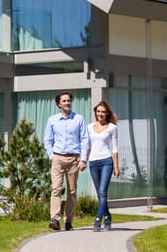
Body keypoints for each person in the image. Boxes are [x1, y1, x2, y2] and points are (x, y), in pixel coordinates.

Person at [44, 91, 89, 231]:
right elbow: (47, 140)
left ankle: (68, 221)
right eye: (64, 101)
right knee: (56, 189)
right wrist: (51, 156)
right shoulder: (52, 120)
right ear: (59, 104)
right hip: (58, 157)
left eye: (69, 100)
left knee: (72, 191)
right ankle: (55, 220)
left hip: (74, 159)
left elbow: (84, 139)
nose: (67, 103)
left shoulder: (79, 119)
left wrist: (83, 159)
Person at [87, 101, 120, 232]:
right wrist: (84, 160)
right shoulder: (90, 127)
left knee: (103, 192)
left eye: (103, 112)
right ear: (96, 112)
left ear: (107, 114)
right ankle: (108, 217)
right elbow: (88, 146)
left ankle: (97, 220)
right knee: (100, 194)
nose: (100, 114)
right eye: (98, 111)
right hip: (93, 163)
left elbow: (115, 149)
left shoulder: (112, 127)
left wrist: (116, 167)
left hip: (106, 161)